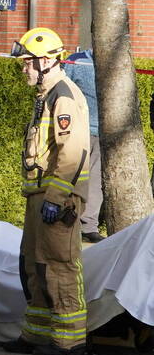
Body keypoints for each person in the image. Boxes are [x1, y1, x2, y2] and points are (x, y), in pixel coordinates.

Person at [3, 27, 90, 355]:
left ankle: (70, 341)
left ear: (44, 61)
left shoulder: (63, 95)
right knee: (34, 264)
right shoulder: (47, 95)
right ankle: (37, 333)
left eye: (27, 63)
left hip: (58, 197)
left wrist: (56, 196)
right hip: (40, 194)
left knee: (59, 265)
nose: (24, 69)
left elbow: (73, 150)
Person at [63, 48, 104, 242]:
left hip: (104, 134)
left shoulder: (118, 62)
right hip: (79, 131)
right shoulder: (76, 61)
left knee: (96, 182)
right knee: (73, 176)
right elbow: (63, 90)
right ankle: (67, 221)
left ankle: (88, 226)